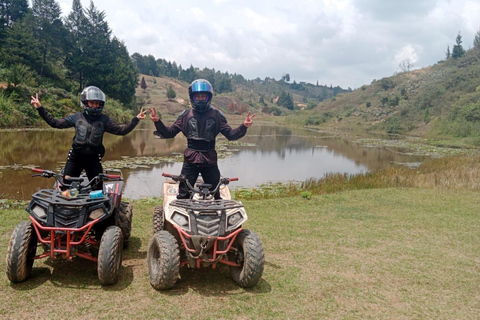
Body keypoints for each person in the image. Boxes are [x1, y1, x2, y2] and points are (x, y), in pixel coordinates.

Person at [148, 79, 255, 199]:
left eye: (203, 96)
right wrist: (158, 122)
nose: (200, 99)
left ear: (208, 97)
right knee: (184, 192)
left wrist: (244, 126)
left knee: (215, 192)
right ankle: (181, 215)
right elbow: (170, 133)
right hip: (191, 158)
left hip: (209, 158)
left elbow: (231, 135)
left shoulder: (217, 116)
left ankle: (218, 215)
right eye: (197, 97)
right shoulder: (185, 115)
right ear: (192, 97)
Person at [31, 86, 146, 188]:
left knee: (97, 190)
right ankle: (67, 210)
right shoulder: (77, 117)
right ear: (85, 103)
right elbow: (55, 123)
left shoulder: (104, 120)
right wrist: (40, 108)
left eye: (97, 103)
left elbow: (122, 131)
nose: (95, 106)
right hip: (75, 158)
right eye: (92, 103)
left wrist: (136, 119)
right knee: (66, 186)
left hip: (94, 159)